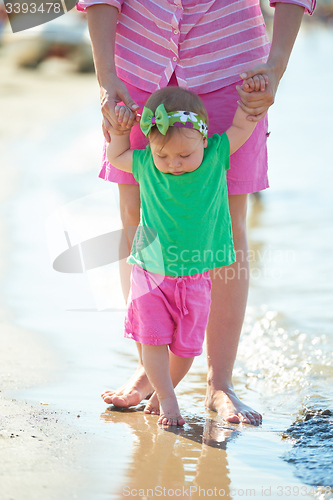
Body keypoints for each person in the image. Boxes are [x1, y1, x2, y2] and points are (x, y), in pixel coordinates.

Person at [79, 0, 315, 425]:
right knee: (136, 222)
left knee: (226, 227)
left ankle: (219, 383)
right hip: (136, 60)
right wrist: (106, 75)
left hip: (232, 69)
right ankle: (152, 369)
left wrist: (275, 66)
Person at [107, 86, 258, 425]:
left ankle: (168, 391)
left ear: (204, 140)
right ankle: (167, 398)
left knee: (187, 347)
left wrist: (250, 101)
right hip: (150, 272)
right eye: (164, 157)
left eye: (184, 156)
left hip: (195, 277)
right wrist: (118, 132)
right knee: (152, 338)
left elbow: (242, 128)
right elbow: (118, 157)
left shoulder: (217, 154)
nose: (173, 165)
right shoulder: (146, 163)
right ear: (152, 149)